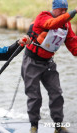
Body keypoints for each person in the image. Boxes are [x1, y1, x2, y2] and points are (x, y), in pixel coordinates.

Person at [21, 0, 77, 133]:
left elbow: (72, 43)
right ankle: (34, 126)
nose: (64, 13)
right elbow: (51, 24)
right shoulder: (43, 17)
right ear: (54, 9)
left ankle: (58, 126)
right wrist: (73, 12)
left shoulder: (66, 25)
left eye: (66, 10)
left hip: (48, 63)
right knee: (34, 96)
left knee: (56, 93)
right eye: (61, 10)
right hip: (32, 62)